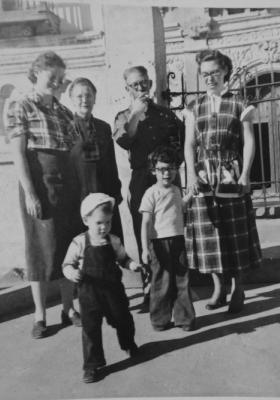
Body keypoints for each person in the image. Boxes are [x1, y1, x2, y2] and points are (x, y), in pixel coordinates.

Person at [5, 51, 81, 339]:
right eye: (53, 78)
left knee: (67, 247)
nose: (57, 83)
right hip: (39, 185)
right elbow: (19, 154)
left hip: (67, 187)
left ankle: (68, 308)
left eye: (61, 79)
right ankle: (40, 315)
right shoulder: (20, 105)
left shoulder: (63, 112)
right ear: (36, 74)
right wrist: (30, 193)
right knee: (39, 251)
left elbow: (73, 153)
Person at [184, 49, 262, 313]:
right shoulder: (194, 107)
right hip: (204, 175)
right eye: (204, 74)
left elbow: (249, 141)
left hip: (231, 174)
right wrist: (192, 176)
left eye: (214, 72)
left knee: (235, 233)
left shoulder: (240, 103)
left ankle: (238, 289)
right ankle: (218, 289)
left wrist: (245, 174)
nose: (209, 78)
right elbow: (189, 144)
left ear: (225, 71)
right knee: (211, 235)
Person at [113, 65, 184, 304]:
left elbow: (180, 145)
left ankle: (173, 283)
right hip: (142, 177)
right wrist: (134, 114)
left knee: (171, 226)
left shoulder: (166, 114)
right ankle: (150, 285)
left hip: (165, 177)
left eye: (144, 83)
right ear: (127, 89)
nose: (141, 88)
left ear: (151, 84)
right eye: (135, 85)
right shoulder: (123, 116)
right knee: (143, 227)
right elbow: (123, 140)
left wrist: (170, 169)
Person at [63, 193, 141, 383]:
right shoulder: (79, 242)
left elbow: (123, 258)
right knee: (90, 328)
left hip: (113, 290)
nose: (104, 227)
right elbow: (67, 264)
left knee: (123, 318)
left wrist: (132, 265)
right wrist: (72, 273)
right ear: (85, 220)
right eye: (99, 222)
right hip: (89, 294)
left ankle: (128, 344)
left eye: (108, 222)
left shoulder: (113, 240)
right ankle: (92, 365)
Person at [140, 146, 195, 331]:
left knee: (182, 280)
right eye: (162, 169)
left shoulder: (176, 190)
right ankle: (160, 320)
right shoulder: (151, 193)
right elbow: (145, 223)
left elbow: (180, 207)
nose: (167, 173)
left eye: (171, 168)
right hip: (159, 244)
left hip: (178, 241)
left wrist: (189, 196)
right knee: (161, 282)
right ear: (153, 170)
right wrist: (144, 248)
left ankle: (184, 319)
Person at [68, 77, 123, 241]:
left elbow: (111, 164)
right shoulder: (66, 128)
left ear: (95, 98)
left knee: (110, 241)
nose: (85, 100)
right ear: (71, 99)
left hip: (103, 192)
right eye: (79, 96)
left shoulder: (103, 128)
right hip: (78, 195)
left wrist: (115, 193)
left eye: (89, 95)